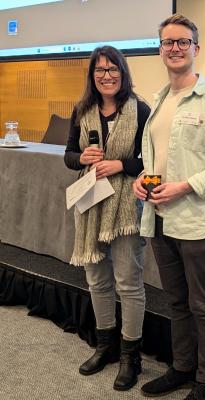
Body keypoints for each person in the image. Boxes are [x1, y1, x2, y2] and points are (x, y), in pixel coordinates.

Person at [133, 14, 205, 400]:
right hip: (161, 220)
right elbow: (157, 159)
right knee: (177, 302)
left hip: (199, 223)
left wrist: (184, 187)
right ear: (160, 49)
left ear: (197, 49)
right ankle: (182, 368)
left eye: (183, 42)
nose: (175, 48)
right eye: (168, 43)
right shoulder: (160, 100)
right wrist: (142, 179)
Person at [64, 45, 150, 391]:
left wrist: (122, 165)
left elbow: (155, 162)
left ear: (123, 73)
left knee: (128, 282)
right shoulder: (82, 109)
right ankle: (106, 346)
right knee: (98, 280)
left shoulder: (141, 110)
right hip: (90, 204)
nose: (107, 75)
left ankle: (131, 356)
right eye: (100, 70)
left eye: (113, 69)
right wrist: (81, 156)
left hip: (127, 207)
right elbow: (69, 155)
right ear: (92, 76)